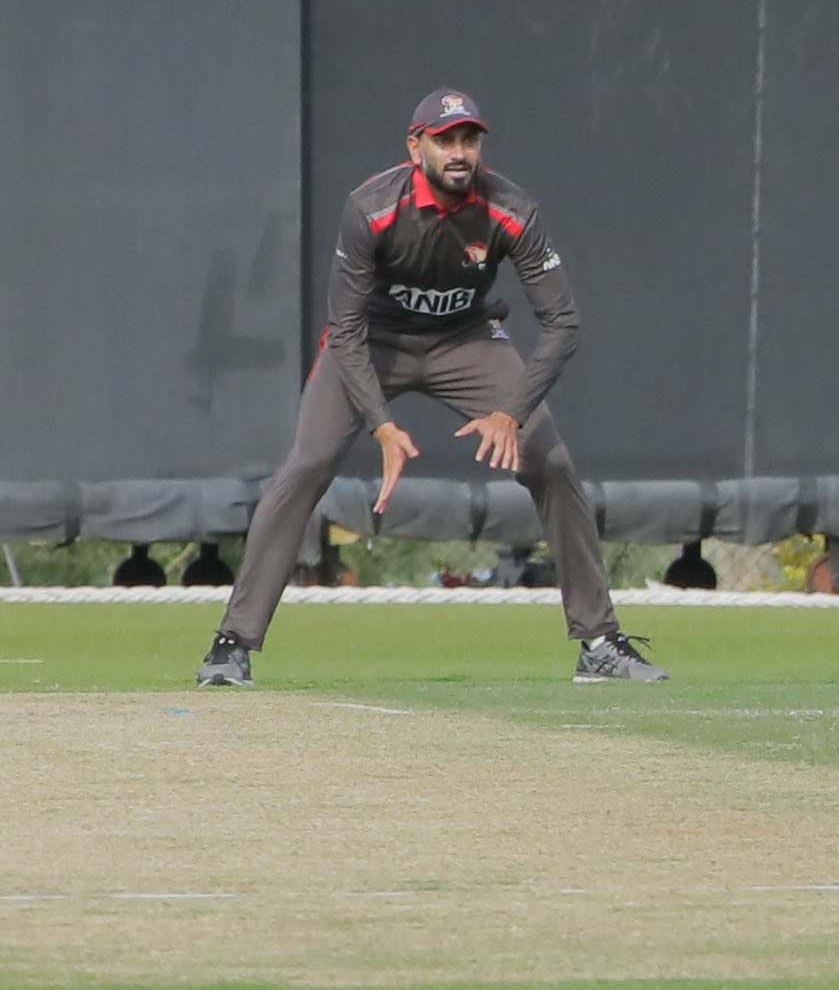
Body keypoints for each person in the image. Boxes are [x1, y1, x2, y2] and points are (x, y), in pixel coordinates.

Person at [199, 90, 665, 688]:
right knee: (308, 462)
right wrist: (381, 425)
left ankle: (599, 643)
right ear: (415, 146)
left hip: (466, 340)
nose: (459, 152)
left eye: (469, 139)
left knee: (551, 463)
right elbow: (345, 328)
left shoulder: (511, 210)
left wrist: (511, 414)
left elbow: (563, 322)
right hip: (372, 343)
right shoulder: (371, 208)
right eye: (445, 140)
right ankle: (232, 644)